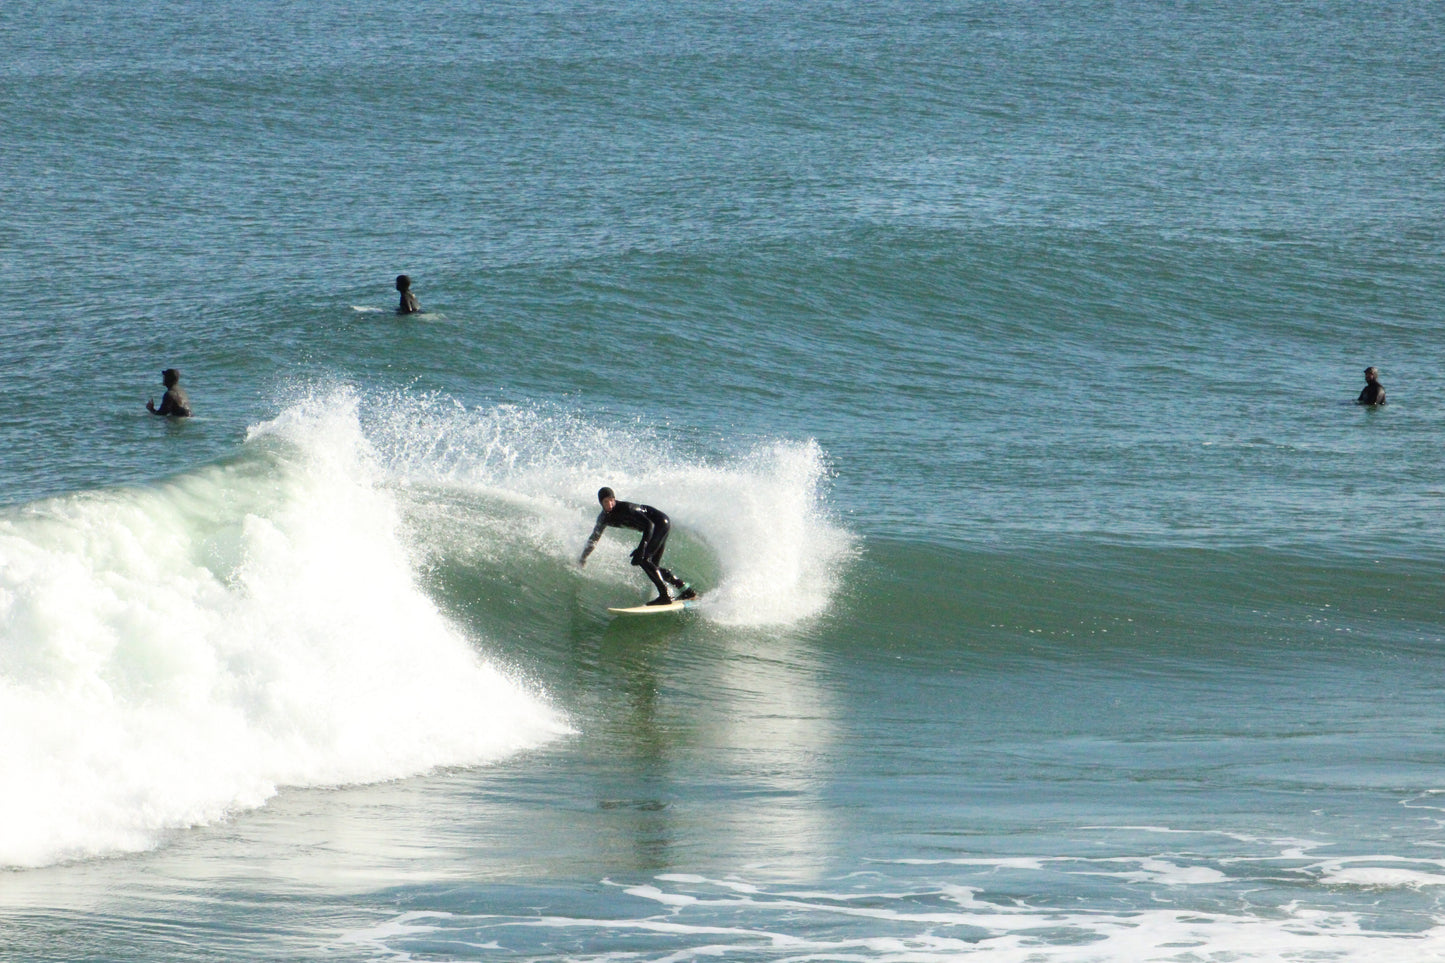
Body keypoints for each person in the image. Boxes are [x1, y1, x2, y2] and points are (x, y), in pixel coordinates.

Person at [579, 487, 697, 605]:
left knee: (644, 560)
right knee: (653, 566)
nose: (610, 504)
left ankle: (664, 596)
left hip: (660, 523)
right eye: (606, 501)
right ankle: (685, 590)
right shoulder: (603, 519)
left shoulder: (626, 509)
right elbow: (594, 538)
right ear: (601, 503)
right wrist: (584, 557)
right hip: (657, 527)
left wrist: (642, 548)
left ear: (614, 499)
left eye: (611, 500)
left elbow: (649, 525)